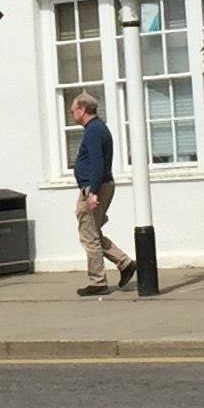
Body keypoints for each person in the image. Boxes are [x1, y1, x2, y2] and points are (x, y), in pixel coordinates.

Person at [69, 93, 135, 296]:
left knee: (89, 236)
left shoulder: (94, 131)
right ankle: (124, 263)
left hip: (94, 187)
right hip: (99, 185)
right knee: (93, 232)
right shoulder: (97, 129)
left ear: (82, 110)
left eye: (73, 110)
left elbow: (97, 163)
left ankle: (98, 281)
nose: (72, 114)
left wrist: (93, 193)